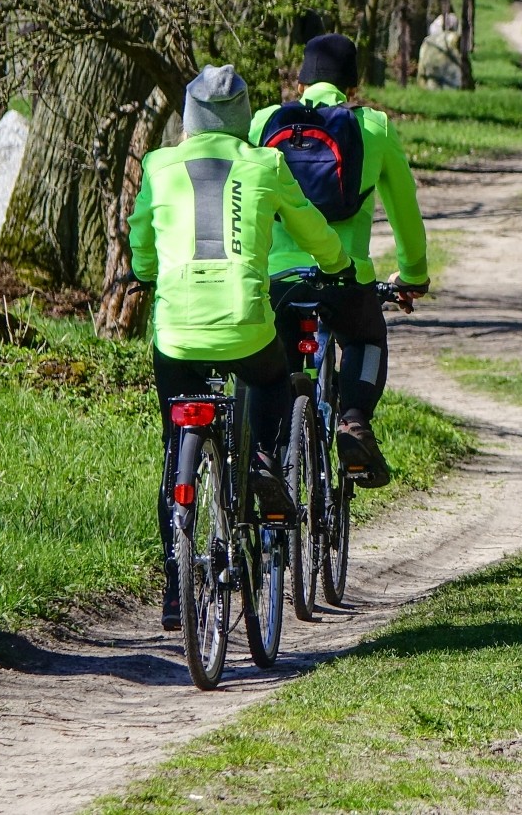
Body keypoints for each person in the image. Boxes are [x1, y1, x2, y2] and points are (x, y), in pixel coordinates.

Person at [130, 64, 355, 630]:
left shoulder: (158, 166)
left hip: (177, 335)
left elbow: (141, 250)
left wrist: (146, 270)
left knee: (172, 446)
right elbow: (311, 228)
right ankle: (260, 463)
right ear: (241, 117)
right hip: (245, 326)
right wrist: (341, 267)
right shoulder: (264, 164)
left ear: (189, 117)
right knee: (272, 378)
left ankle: (176, 590)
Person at [252, 33, 430, 491]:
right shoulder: (373, 127)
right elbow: (404, 208)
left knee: (275, 366)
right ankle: (353, 423)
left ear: (301, 81)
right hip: (346, 281)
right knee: (367, 338)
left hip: (279, 282)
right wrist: (412, 276)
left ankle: (268, 458)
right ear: (352, 84)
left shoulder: (264, 122)